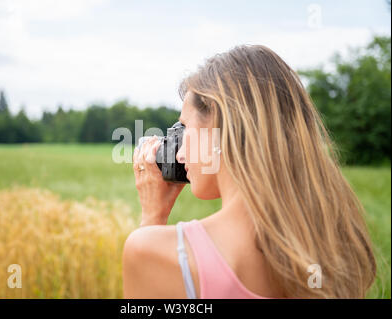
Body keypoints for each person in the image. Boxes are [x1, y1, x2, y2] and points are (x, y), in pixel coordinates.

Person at [122, 44, 376, 299]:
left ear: (220, 130)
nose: (179, 154)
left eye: (185, 128)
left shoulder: (155, 252)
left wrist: (152, 218)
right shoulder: (334, 248)